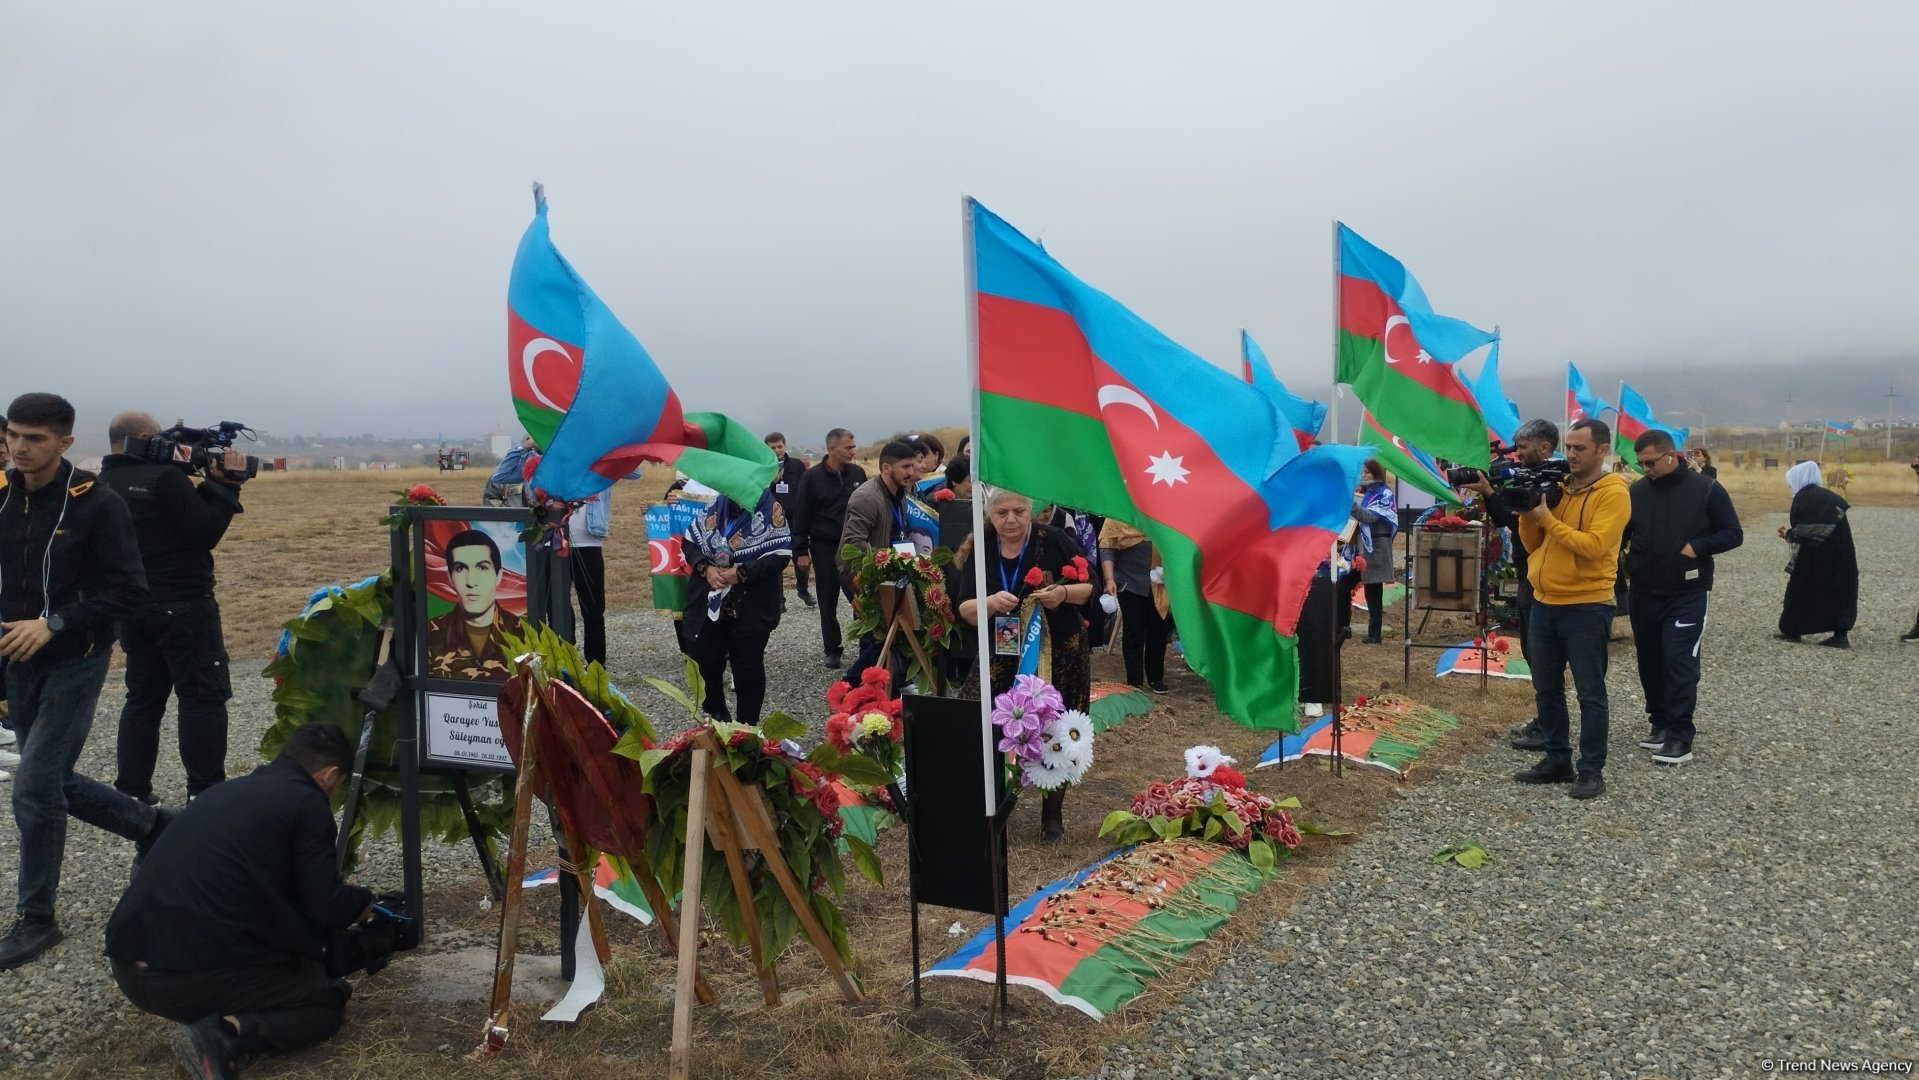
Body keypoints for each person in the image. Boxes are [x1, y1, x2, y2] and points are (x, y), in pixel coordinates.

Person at [106, 722, 378, 1080]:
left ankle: (211, 1016)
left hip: (128, 964)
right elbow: (325, 905)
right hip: (180, 980)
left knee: (302, 970)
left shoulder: (225, 792)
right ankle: (222, 1035)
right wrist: (362, 902)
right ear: (330, 775)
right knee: (328, 998)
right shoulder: (307, 802)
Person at [1, 393, 169, 970]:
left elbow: (130, 590)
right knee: (49, 779)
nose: (21, 447)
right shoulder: (0, 496)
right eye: (14, 435)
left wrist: (55, 624)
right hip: (14, 660)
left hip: (77, 658)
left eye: (36, 438)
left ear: (65, 442)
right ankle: (152, 824)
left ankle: (37, 919)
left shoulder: (99, 504)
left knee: (32, 787)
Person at [97, 411, 247, 804]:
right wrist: (226, 486)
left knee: (143, 698)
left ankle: (131, 791)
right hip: (183, 604)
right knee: (202, 697)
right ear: (146, 436)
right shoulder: (165, 479)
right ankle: (205, 793)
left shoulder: (102, 483)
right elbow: (203, 531)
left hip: (132, 608)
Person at [955, 487, 1094, 841]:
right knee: (981, 720)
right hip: (1002, 652)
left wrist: (1062, 594)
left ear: (1030, 511)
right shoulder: (982, 549)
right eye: (1002, 514)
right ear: (991, 516)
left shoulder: (1055, 539)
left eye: (1018, 511)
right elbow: (965, 611)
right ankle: (991, 802)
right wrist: (989, 601)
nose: (1011, 520)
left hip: (1061, 649)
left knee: (1058, 726)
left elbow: (1088, 588)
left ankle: (1052, 817)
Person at [1511, 418, 1631, 801]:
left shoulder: (1613, 492)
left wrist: (1546, 519)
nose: (1572, 454)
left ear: (1602, 450)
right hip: (1545, 601)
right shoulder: (1558, 487)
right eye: (1570, 447)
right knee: (1546, 687)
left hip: (1586, 605)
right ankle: (1557, 758)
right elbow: (1533, 544)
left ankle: (1591, 769)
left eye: (1580, 448)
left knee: (1590, 691)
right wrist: (1530, 514)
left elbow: (1595, 545)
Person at [1623, 430, 1743, 766]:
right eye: (1641, 463)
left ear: (1671, 455)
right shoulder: (1637, 492)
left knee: (1679, 660)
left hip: (1687, 591)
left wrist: (1697, 547)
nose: (1646, 468)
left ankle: (1679, 735)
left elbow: (1733, 533)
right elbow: (1621, 535)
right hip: (1644, 590)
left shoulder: (1706, 489)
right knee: (1650, 660)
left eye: (1651, 462)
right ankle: (1659, 723)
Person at [1464, 419, 1559, 750]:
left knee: (1545, 656)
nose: (1516, 455)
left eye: (1522, 449)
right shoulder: (1526, 477)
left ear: (1544, 447)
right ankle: (1546, 719)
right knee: (1535, 654)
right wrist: (1492, 492)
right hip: (1526, 575)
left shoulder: (1552, 482)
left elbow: (1519, 520)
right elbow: (1510, 519)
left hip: (1544, 577)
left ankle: (1552, 727)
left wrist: (1493, 493)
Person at [681, 489, 791, 723]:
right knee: (705, 659)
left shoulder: (770, 509)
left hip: (750, 603)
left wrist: (740, 573)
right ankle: (716, 713)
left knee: (747, 667)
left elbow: (780, 555)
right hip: (709, 598)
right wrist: (706, 568)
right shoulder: (715, 506)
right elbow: (689, 543)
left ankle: (746, 729)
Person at [837, 440, 924, 682]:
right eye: (905, 466)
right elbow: (852, 545)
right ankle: (852, 686)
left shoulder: (900, 492)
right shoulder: (866, 497)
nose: (911, 472)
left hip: (890, 571)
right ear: (886, 468)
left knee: (894, 631)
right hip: (862, 573)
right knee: (876, 633)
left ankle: (889, 684)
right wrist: (888, 560)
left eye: (913, 465)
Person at [791, 428, 866, 669]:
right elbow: (801, 515)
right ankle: (832, 649)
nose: (853, 452)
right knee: (827, 599)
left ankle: (867, 646)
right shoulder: (811, 478)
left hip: (854, 547)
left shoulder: (858, 473)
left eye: (854, 447)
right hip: (824, 547)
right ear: (832, 449)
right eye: (848, 447)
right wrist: (801, 551)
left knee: (862, 598)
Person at [1776, 461, 1857, 648]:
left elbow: (1808, 531)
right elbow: (1816, 527)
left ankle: (1793, 630)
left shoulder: (1803, 499)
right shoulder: (1829, 497)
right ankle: (1840, 633)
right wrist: (1791, 533)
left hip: (1814, 555)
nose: (1790, 486)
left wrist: (1789, 534)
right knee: (1841, 590)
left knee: (1800, 590)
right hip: (1841, 553)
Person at [425, 529, 524, 682]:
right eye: (461, 568)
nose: (471, 582)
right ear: (450, 578)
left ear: (499, 576)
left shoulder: (522, 633)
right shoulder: (430, 633)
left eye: (482, 567)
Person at [1099, 519, 1169, 692]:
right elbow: (1107, 547)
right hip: (1129, 582)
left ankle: (1155, 678)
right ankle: (1134, 680)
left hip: (1161, 583)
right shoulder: (1118, 516)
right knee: (1134, 629)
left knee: (1158, 629)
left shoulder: (1163, 511)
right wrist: (1109, 579)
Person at [1338, 460, 1396, 644]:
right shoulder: (1362, 492)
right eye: (1362, 471)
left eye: (1367, 472)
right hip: (1357, 550)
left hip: (1375, 550)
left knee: (1373, 592)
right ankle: (1343, 627)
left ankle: (1374, 633)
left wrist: (1351, 503)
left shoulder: (1384, 494)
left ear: (1376, 474)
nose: (1363, 475)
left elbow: (1369, 516)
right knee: (1342, 586)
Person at [764, 432, 814, 608]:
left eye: (780, 446)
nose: (777, 450)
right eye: (772, 448)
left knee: (800, 557)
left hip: (795, 520)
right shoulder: (762, 467)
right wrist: (771, 481)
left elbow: (806, 492)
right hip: (772, 523)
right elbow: (756, 492)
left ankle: (803, 590)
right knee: (776, 561)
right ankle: (779, 599)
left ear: (785, 446)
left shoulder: (796, 465)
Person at [568, 488, 612, 667]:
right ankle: (564, 655)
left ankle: (596, 664)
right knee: (556, 606)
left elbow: (634, 473)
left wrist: (598, 458)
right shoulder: (551, 461)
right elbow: (502, 476)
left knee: (593, 607)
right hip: (553, 540)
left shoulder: (599, 465)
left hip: (588, 541)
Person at [482, 436, 535, 507]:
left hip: (540, 515)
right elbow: (491, 500)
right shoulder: (504, 474)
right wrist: (509, 515)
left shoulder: (546, 473)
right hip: (512, 516)